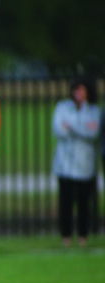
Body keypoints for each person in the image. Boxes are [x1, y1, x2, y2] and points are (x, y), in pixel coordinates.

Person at [52, 77, 99, 247]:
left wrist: (71, 127)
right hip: (64, 163)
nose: (79, 93)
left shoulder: (94, 110)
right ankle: (65, 236)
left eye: (82, 90)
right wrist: (82, 128)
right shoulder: (63, 107)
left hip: (84, 163)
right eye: (76, 89)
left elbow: (92, 134)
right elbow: (59, 130)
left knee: (84, 202)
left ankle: (83, 236)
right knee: (65, 202)